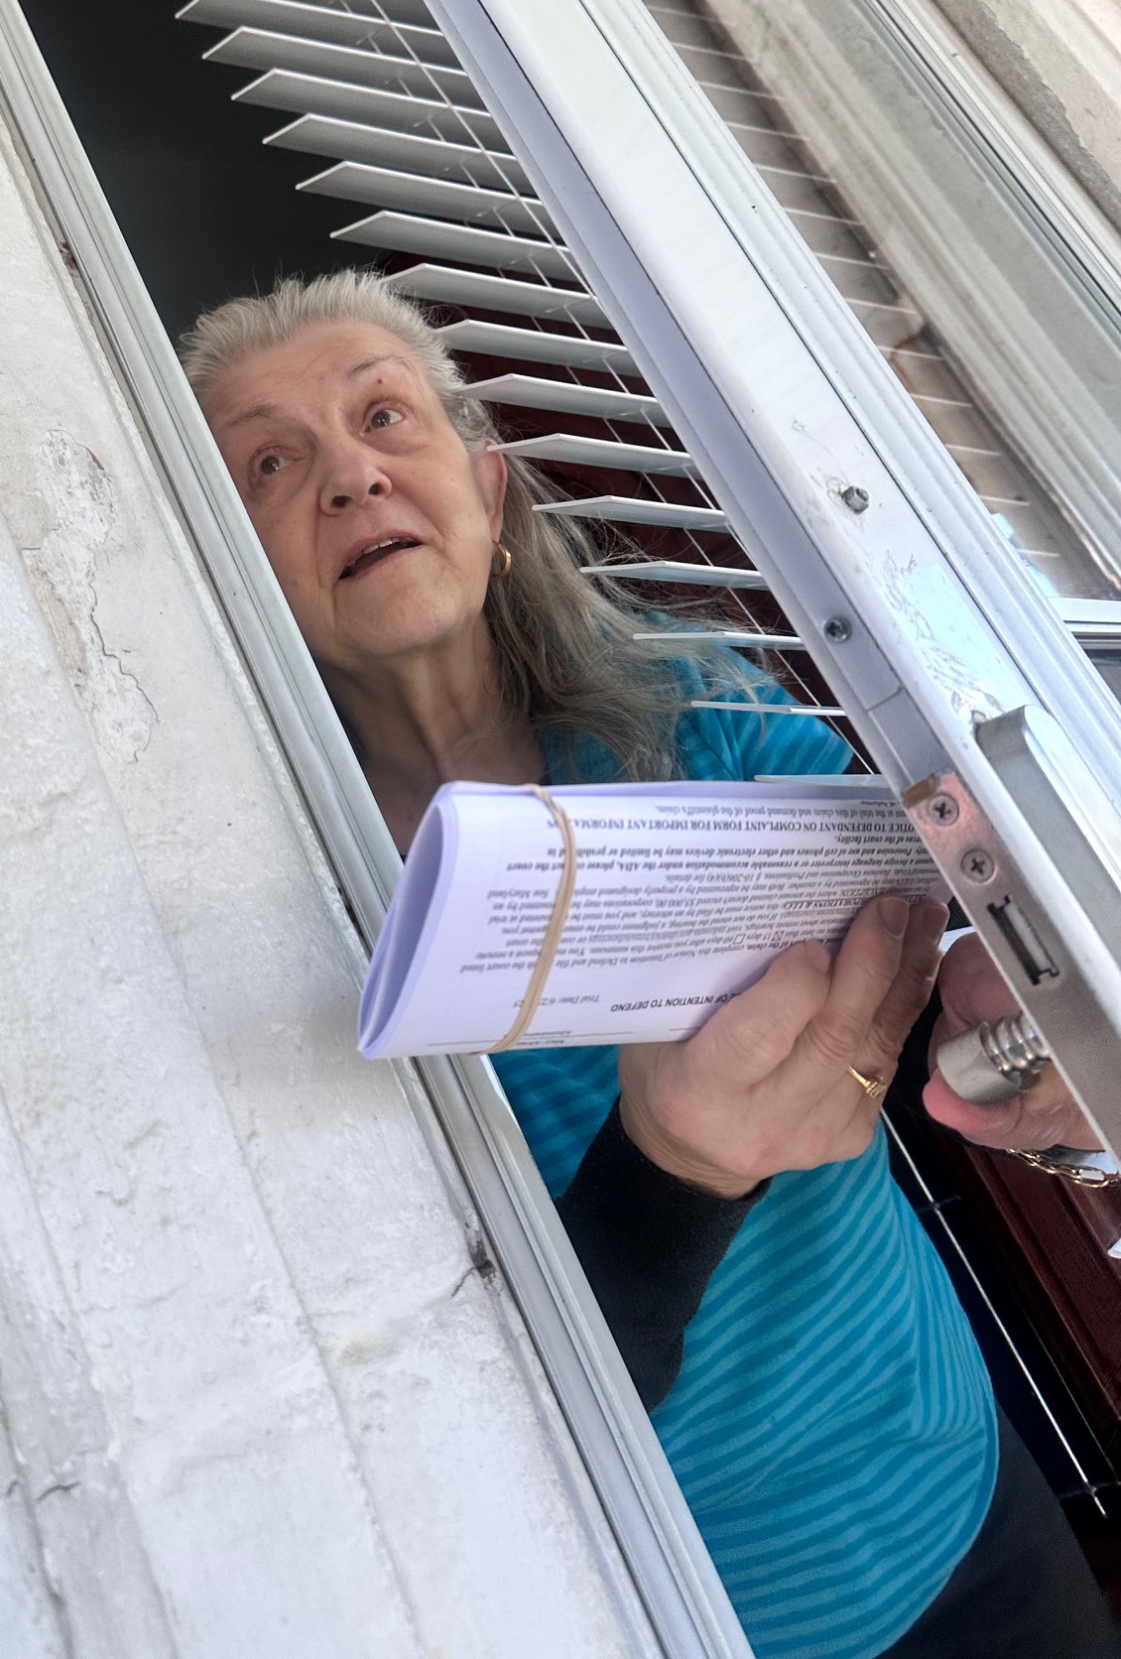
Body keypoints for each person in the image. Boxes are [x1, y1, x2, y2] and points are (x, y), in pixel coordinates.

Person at [181, 268, 1118, 1659]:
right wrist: (671, 1174)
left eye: (385, 417)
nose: (351, 477)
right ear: (226, 571)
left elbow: (924, 963)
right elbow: (430, 1420)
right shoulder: (293, 948)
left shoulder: (705, 713)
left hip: (965, 1496)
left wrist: (1019, 1023)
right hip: (707, 1616)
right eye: (271, 463)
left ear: (489, 494)